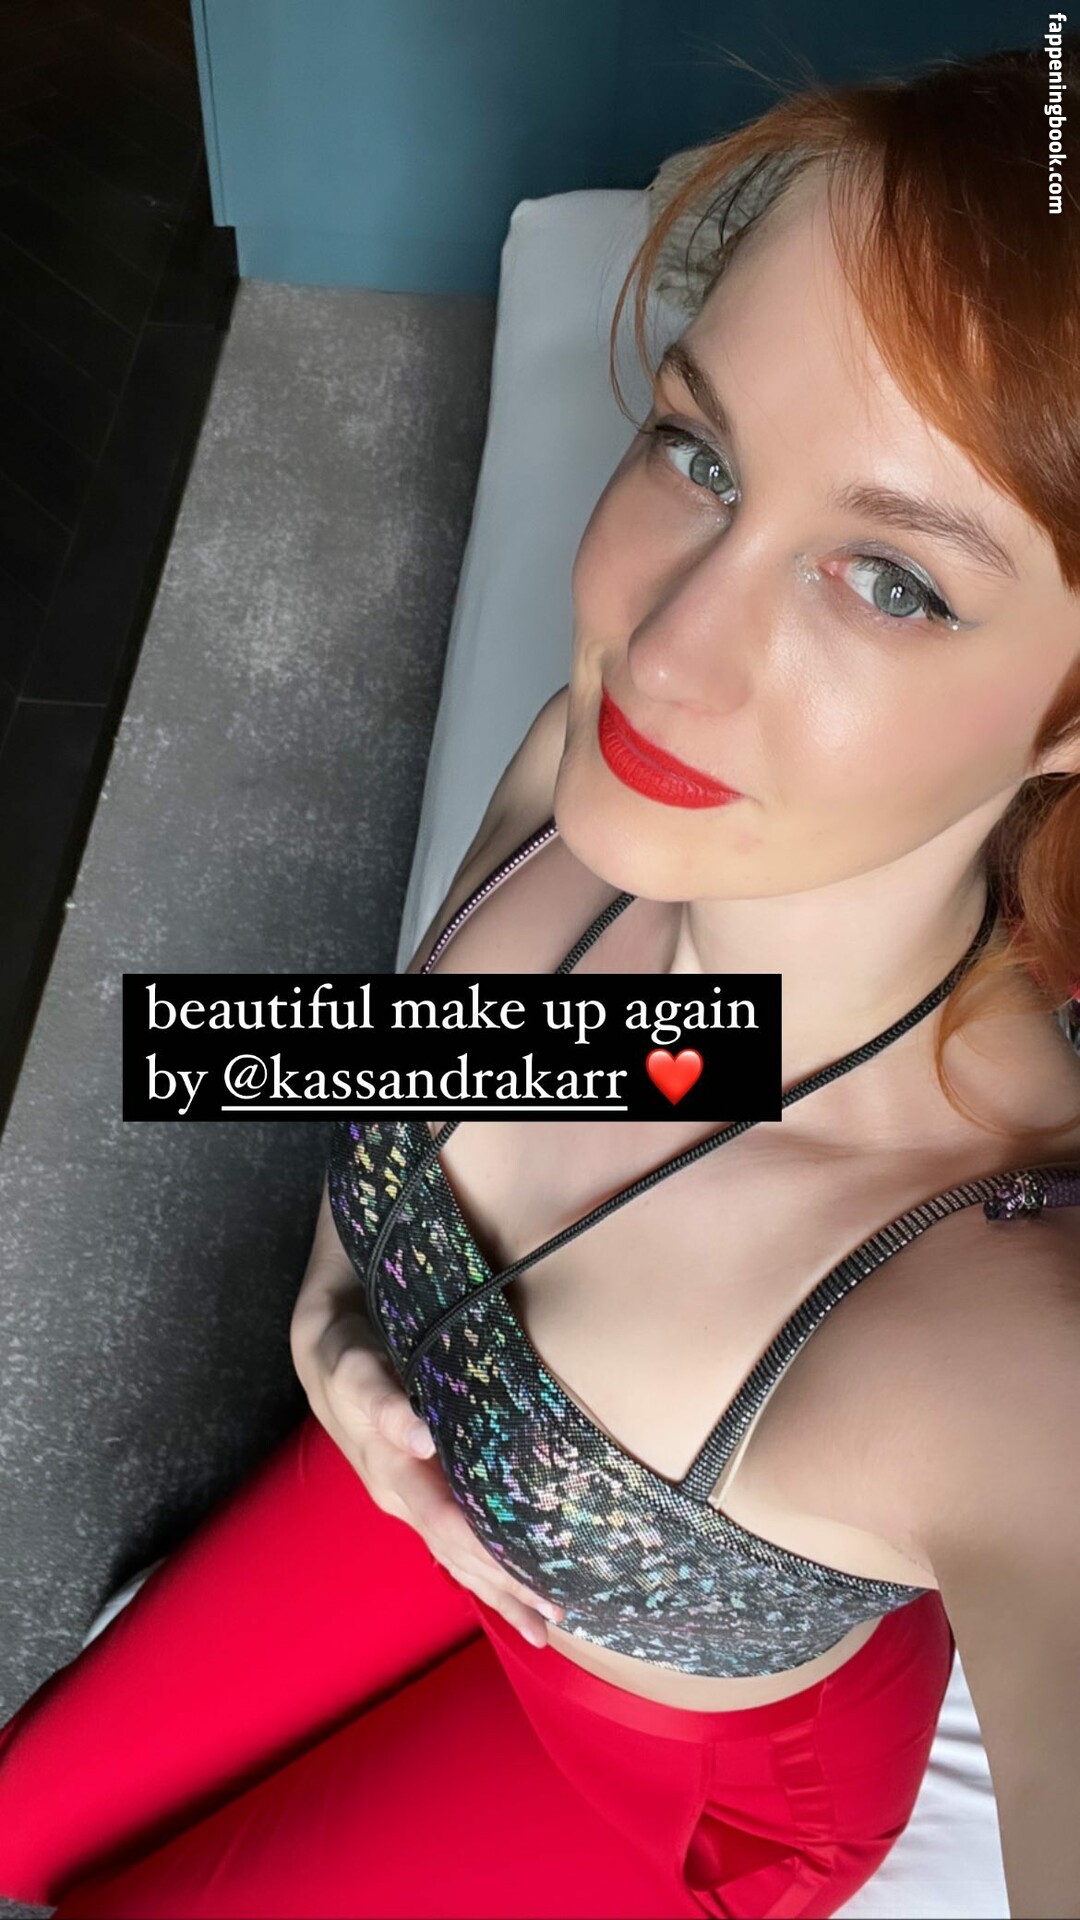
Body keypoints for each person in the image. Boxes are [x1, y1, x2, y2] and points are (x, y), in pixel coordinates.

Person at [2, 37, 1080, 1920]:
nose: (662, 651)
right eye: (700, 453)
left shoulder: (993, 1328)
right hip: (425, 1470)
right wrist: (335, 1299)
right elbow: (380, 1060)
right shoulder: (607, 779)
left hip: (690, 1788)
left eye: (895, 580)